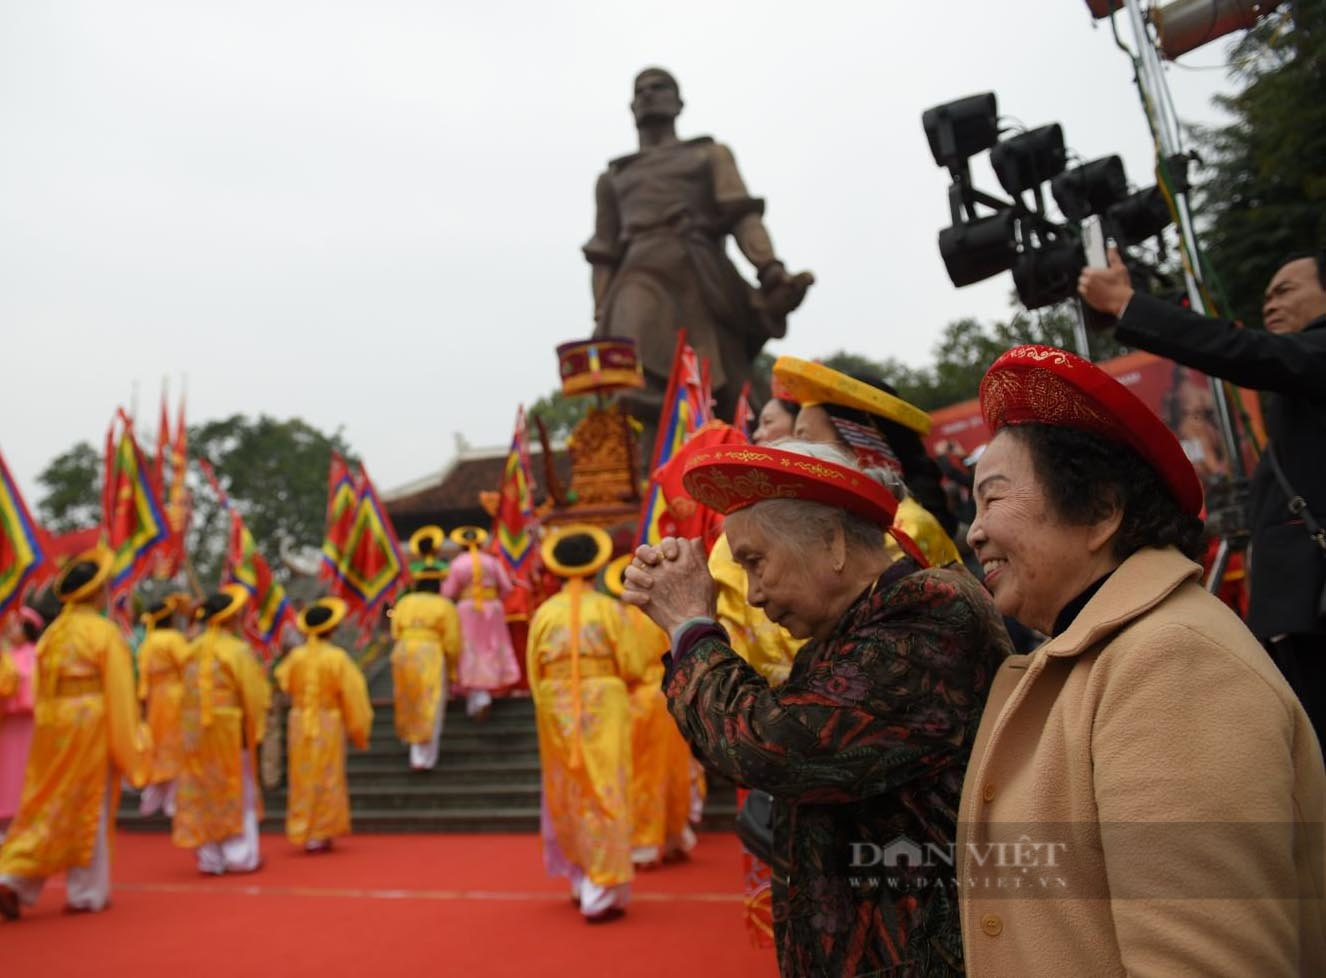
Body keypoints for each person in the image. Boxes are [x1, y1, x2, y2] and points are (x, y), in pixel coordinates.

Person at [960, 344, 1324, 976]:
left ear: (1101, 509)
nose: (974, 532)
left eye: (992, 500)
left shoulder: (1172, 661)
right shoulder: (1098, 651)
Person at [624, 441, 1011, 977]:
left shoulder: (930, 613)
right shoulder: (838, 638)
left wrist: (692, 627)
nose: (753, 594)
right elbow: (739, 747)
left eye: (755, 563)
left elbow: (768, 748)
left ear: (832, 541)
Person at [1080, 248, 1326, 745]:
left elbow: (1241, 350)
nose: (1270, 304)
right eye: (1265, 297)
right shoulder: (1300, 380)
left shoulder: (1316, 353)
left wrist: (1129, 303)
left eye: (1285, 290)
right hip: (1301, 611)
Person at [584, 67, 812, 445]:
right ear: (630, 106)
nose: (648, 95)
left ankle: (744, 454)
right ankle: (654, 467)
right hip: (638, 274)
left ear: (679, 103)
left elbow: (742, 215)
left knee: (727, 380)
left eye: (659, 87)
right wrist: (599, 311)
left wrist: (769, 267)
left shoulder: (708, 155)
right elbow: (604, 252)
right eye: (640, 90)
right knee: (636, 372)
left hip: (701, 274)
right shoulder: (613, 178)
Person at [0, 547, 149, 919]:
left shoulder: (53, 634)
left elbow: (39, 689)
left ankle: (14, 878)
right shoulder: (103, 632)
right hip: (91, 721)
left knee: (48, 803)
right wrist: (131, 743)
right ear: (97, 593)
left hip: (54, 726)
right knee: (90, 807)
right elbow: (118, 690)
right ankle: (87, 893)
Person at [528, 526, 643, 923]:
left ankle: (581, 880)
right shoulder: (610, 610)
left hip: (553, 702)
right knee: (606, 786)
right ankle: (603, 886)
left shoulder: (543, 613)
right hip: (605, 700)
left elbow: (533, 670)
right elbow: (631, 663)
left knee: (568, 787)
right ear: (595, 568)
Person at [774, 356, 963, 566]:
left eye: (806, 439)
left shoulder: (901, 528)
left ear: (860, 448)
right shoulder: (853, 523)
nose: (797, 451)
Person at [172, 585, 270, 876]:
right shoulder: (238, 651)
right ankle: (240, 855)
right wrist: (256, 728)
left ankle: (210, 857)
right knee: (236, 788)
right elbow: (253, 695)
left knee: (203, 787)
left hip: (195, 731)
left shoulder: (191, 649)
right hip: (228, 728)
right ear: (231, 618)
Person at [602, 554, 693, 868]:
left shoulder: (618, 619)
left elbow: (624, 663)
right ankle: (673, 836)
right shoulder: (662, 615)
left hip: (635, 699)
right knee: (672, 768)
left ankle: (643, 843)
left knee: (640, 773)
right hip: (668, 696)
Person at [274, 597, 372, 853]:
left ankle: (306, 829)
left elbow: (283, 684)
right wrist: (358, 729)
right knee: (327, 774)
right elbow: (354, 695)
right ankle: (321, 830)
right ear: (332, 629)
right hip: (327, 720)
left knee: (302, 774)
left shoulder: (295, 657)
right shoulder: (338, 658)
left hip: (299, 720)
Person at [389, 542, 461, 771]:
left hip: (403, 651)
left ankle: (413, 745)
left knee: (408, 698)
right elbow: (452, 641)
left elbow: (394, 631)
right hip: (430, 652)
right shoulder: (445, 605)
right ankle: (422, 757)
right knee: (431, 702)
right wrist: (452, 667)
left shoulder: (404, 603)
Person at [443, 526, 520, 719]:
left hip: (467, 610)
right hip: (493, 608)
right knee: (492, 647)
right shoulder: (492, 562)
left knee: (470, 649)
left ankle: (478, 696)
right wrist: (492, 599)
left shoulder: (458, 563)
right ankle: (482, 695)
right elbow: (507, 587)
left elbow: (448, 592)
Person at [136, 594, 191, 817]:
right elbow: (187, 664)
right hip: (175, 695)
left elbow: (142, 678)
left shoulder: (147, 642)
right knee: (175, 744)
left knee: (158, 744)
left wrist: (142, 699)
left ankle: (154, 799)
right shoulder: (174, 639)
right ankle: (172, 801)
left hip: (155, 698)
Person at [0, 607, 43, 835]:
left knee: (22, 771)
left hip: (26, 722)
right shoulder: (8, 652)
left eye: (16, 625)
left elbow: (23, 684)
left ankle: (21, 820)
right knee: (6, 770)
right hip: (7, 723)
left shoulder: (34, 654)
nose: (11, 630)